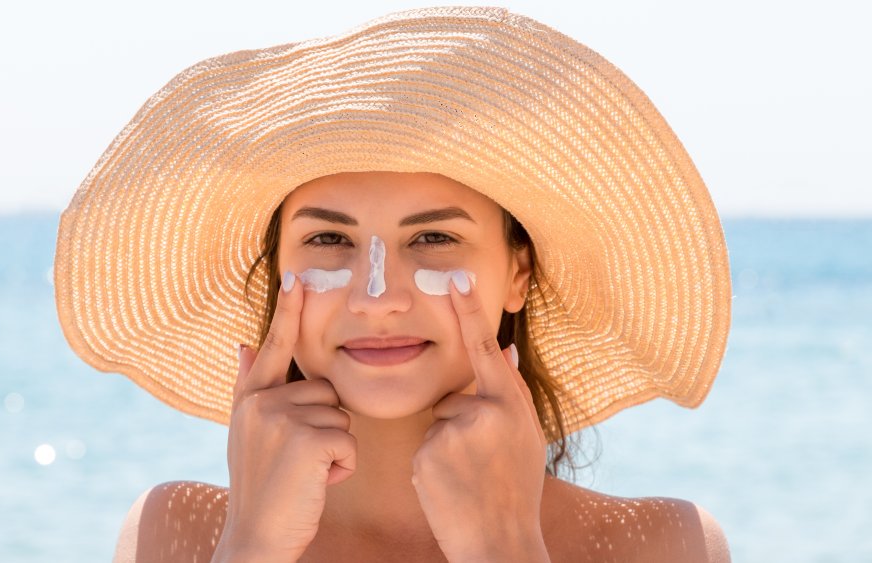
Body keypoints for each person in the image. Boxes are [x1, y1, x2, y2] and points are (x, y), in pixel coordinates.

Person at [54, 6, 733, 562]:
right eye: (328, 239)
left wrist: (506, 547)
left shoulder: (664, 546)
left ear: (518, 271)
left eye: (433, 238)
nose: (377, 296)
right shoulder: (174, 533)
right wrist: (252, 545)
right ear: (278, 273)